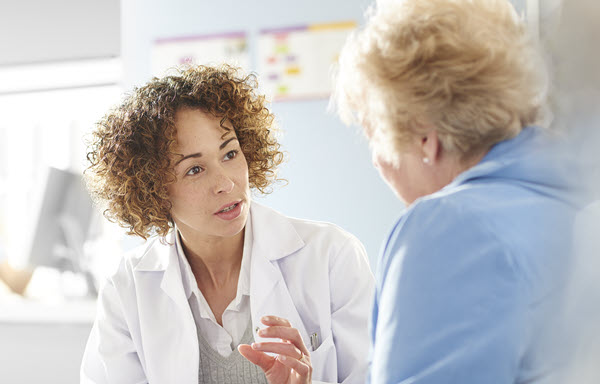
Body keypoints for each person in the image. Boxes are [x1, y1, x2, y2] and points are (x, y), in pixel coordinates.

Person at [333, 0, 584, 382]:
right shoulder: (569, 197)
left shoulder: (450, 228)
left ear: (424, 138)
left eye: (375, 137)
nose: (377, 162)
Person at [80, 65, 374, 384]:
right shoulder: (128, 288)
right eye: (194, 170)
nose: (225, 183)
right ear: (152, 189)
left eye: (230, 153)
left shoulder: (332, 256)